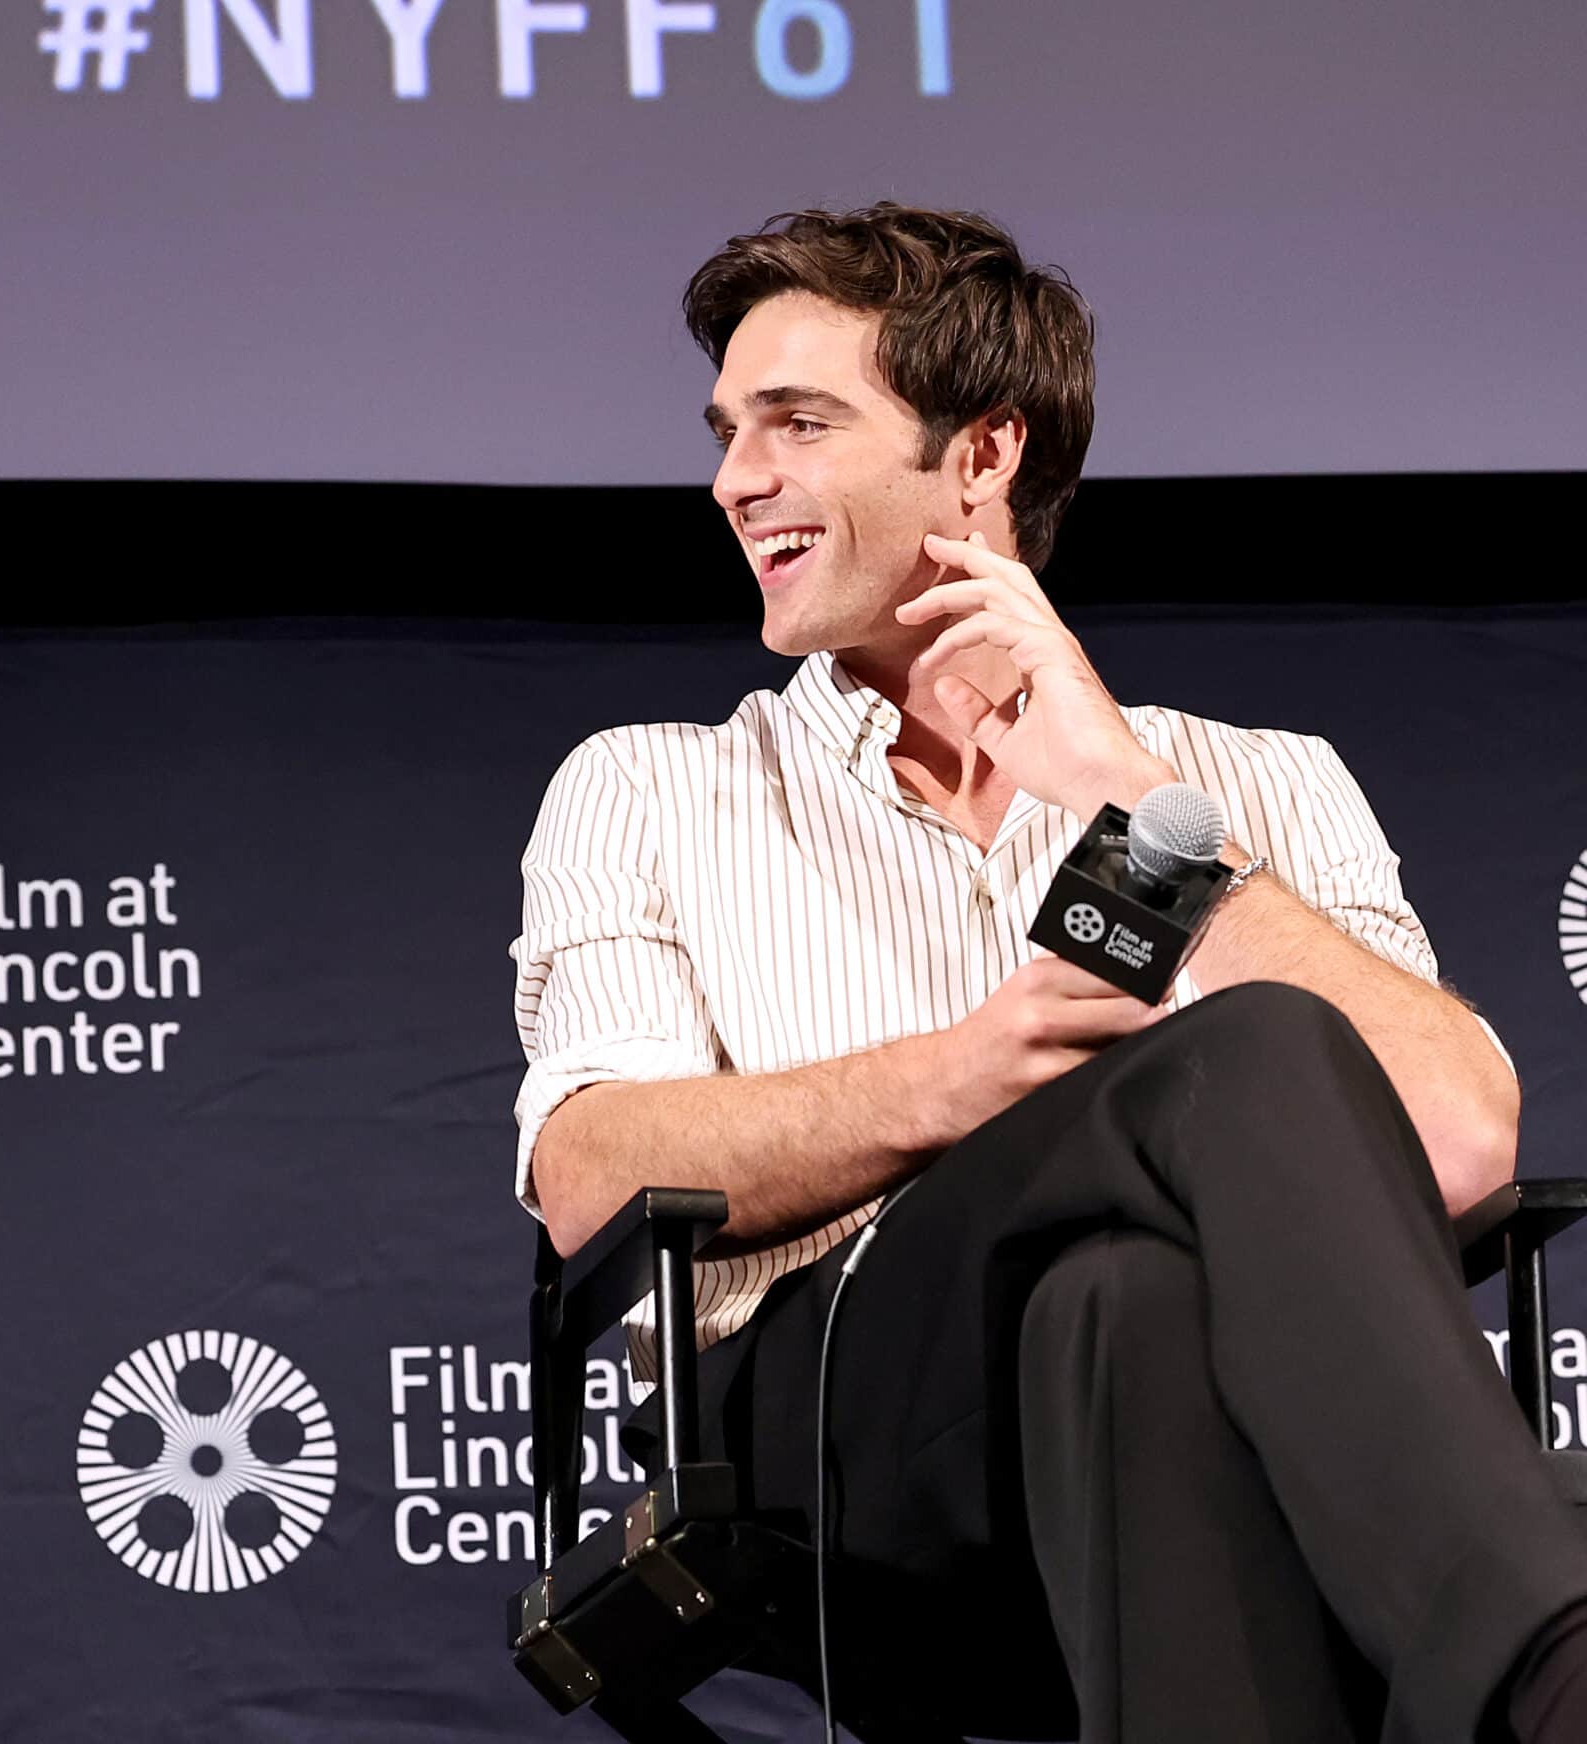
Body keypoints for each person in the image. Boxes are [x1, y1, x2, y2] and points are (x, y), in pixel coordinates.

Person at [511, 205, 1587, 1743]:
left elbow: (1462, 1135)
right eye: (728, 430)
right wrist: (969, 1074)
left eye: (797, 422)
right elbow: (589, 1173)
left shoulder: (1254, 781)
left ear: (984, 452)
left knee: (1131, 1306)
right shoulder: (649, 788)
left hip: (1185, 1380)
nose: (734, 479)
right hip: (840, 1427)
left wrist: (1129, 796)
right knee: (1249, 1053)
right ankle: (1554, 1664)